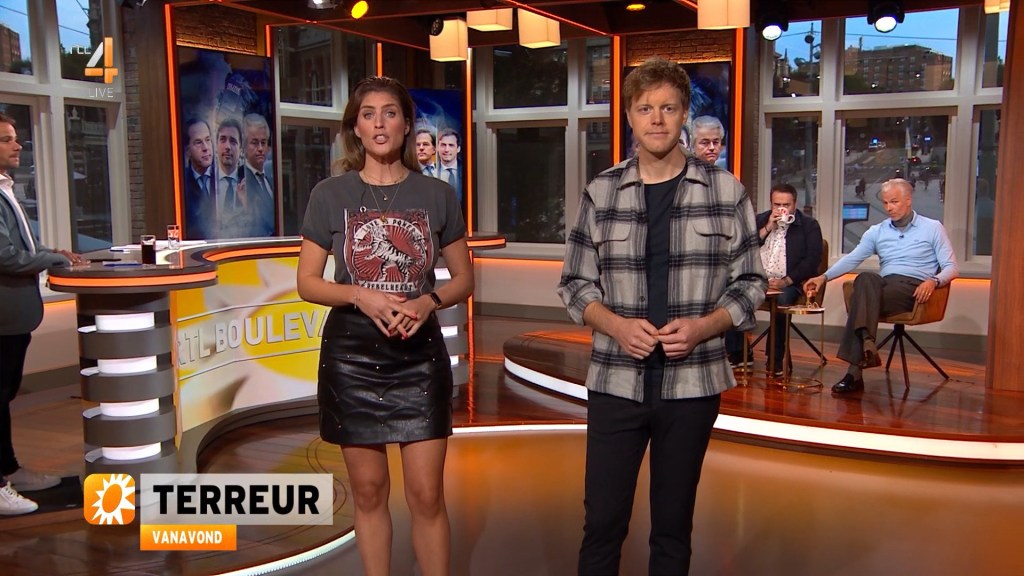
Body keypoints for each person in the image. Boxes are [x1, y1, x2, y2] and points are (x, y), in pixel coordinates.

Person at [557, 58, 766, 576]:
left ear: (684, 114)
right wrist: (616, 326)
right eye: (645, 108)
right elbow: (575, 284)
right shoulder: (601, 191)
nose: (656, 119)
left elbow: (751, 284)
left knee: (673, 528)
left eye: (668, 108)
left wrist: (704, 327)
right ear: (629, 116)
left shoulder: (726, 192)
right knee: (602, 523)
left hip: (692, 386)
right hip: (616, 382)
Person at [296, 75, 473, 576]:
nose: (379, 123)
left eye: (390, 113)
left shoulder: (437, 194)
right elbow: (307, 282)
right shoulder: (329, 194)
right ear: (355, 127)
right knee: (370, 492)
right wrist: (360, 295)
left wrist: (428, 302)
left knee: (426, 494)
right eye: (368, 114)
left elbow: (464, 278)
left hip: (418, 356)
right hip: (352, 355)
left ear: (407, 124)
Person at [0, 111, 84, 515]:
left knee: (4, 396)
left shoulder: (6, 189)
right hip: (2, 319)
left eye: (15, 138)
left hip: (13, 318)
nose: (18, 145)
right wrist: (52, 260)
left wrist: (52, 252)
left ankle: (9, 469)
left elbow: (21, 247)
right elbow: (5, 257)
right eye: (6, 140)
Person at [804, 178, 958, 394]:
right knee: (865, 278)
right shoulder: (877, 231)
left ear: (908, 200)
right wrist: (824, 277)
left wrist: (934, 281)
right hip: (883, 285)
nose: (888, 208)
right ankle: (867, 342)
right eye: (885, 203)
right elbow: (853, 258)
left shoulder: (932, 228)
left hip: (913, 287)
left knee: (861, 297)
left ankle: (854, 373)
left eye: (894, 202)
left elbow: (952, 267)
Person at [724, 183, 823, 375]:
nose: (781, 209)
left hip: (789, 283)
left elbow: (812, 261)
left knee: (781, 300)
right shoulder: (760, 220)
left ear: (795, 204)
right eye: (777, 205)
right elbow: (743, 249)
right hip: (756, 280)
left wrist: (786, 281)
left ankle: (775, 359)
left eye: (786, 205)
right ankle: (739, 353)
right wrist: (768, 227)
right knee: (731, 293)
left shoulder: (809, 226)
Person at [239, 113, 276, 237]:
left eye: (263, 142)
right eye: (254, 143)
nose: (260, 148)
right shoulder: (240, 180)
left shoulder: (272, 177)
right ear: (244, 146)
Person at [182, 118, 217, 240]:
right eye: (198, 142)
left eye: (208, 140)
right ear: (188, 151)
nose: (206, 147)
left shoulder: (224, 178)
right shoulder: (181, 184)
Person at [436, 128, 461, 200]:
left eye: (451, 145)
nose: (447, 150)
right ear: (437, 148)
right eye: (443, 145)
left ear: (458, 148)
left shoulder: (467, 170)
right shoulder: (431, 172)